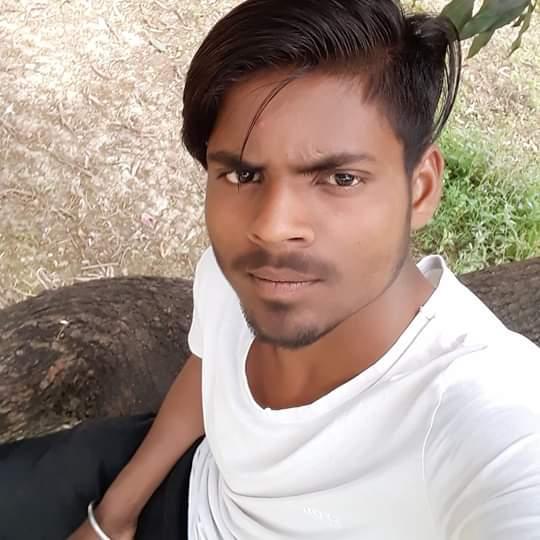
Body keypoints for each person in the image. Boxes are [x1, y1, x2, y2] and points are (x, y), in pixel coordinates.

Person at [2, 0, 539, 539]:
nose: (272, 228)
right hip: (184, 483)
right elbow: (208, 368)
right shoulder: (232, 275)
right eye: (242, 175)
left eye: (340, 178)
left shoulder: (482, 407)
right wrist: (112, 516)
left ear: (420, 189)